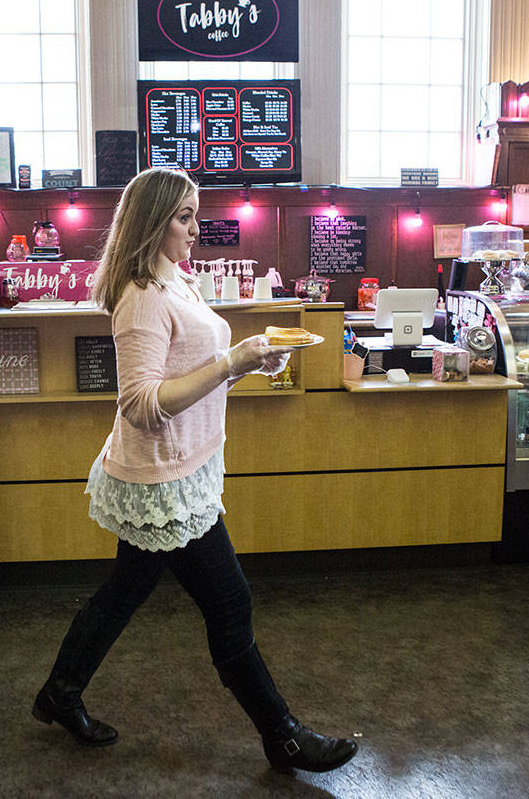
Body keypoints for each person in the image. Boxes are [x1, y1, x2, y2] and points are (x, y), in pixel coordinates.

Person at [31, 168, 359, 773]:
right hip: (163, 482)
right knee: (229, 604)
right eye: (184, 217)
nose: (194, 228)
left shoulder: (176, 279)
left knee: (125, 592)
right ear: (154, 223)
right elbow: (141, 403)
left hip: (182, 469)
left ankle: (60, 691)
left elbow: (195, 364)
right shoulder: (142, 299)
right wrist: (232, 360)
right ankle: (282, 734)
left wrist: (247, 363)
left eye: (194, 215)